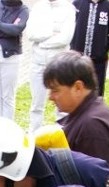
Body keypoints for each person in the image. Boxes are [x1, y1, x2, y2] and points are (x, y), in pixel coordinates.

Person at [43, 50, 109, 183]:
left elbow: (99, 185)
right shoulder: (95, 111)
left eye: (55, 90)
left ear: (78, 87)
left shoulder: (92, 127)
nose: (50, 97)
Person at [24, 0, 76, 132]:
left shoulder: (68, 8)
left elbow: (65, 38)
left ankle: (62, 136)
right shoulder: (38, 7)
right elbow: (30, 34)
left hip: (58, 64)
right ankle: (33, 137)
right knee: (36, 104)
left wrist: (42, 43)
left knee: (62, 105)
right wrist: (49, 33)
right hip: (37, 62)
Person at [70, 0, 109, 96]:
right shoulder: (77, 4)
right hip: (76, 59)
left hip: (98, 61)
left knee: (96, 92)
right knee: (75, 89)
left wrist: (104, 45)